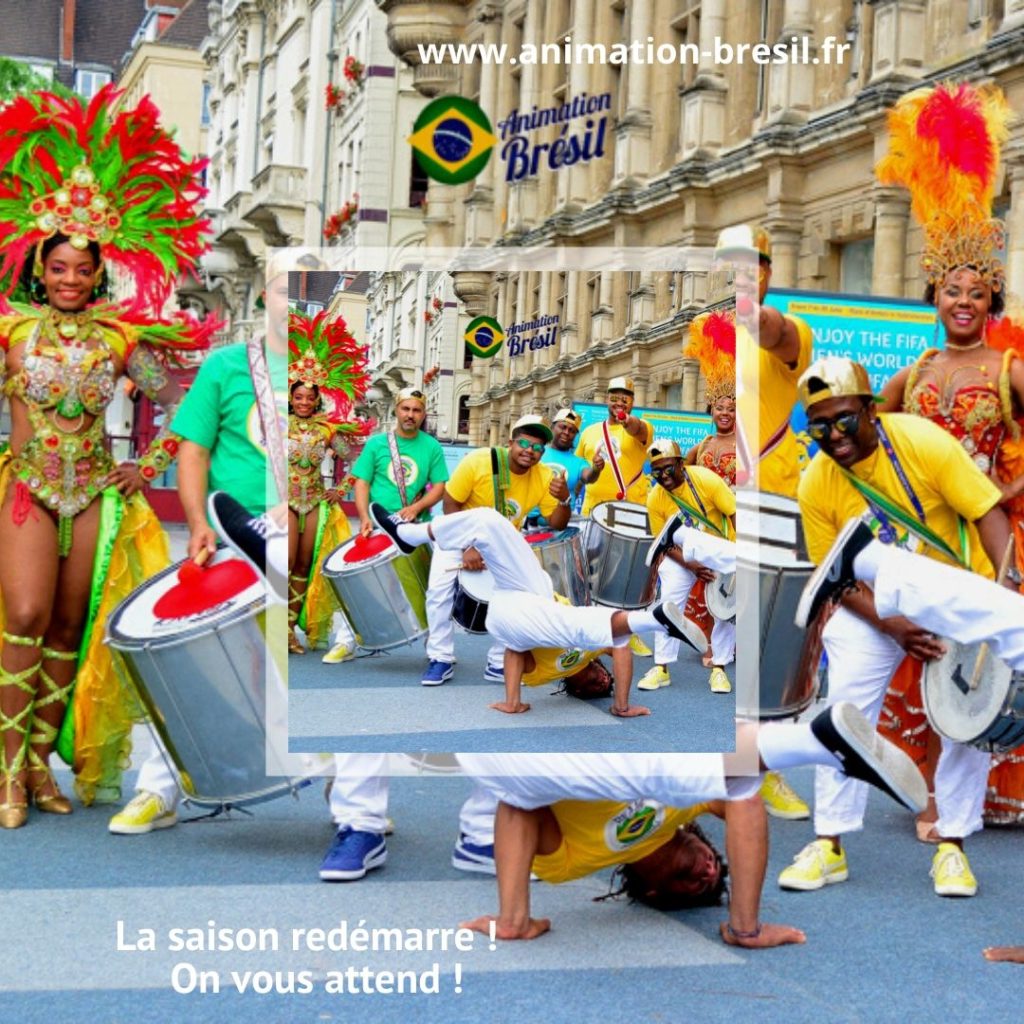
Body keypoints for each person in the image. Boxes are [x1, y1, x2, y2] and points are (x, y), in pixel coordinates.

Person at [0, 86, 210, 827]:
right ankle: (6, 773)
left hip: (91, 491)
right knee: (22, 612)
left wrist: (143, 465)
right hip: (27, 487)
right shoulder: (13, 330)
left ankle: (39, 763)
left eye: (81, 271)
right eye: (57, 267)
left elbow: (180, 404)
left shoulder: (120, 339)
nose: (68, 279)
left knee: (67, 627)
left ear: (98, 275)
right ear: (41, 267)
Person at [780, 355, 1012, 897]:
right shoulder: (817, 482)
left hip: (959, 589)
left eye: (844, 420)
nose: (832, 435)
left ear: (871, 410)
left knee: (968, 715)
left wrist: (1005, 590)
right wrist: (897, 627)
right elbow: (835, 580)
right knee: (844, 707)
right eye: (819, 426)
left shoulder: (920, 441)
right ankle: (829, 842)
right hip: (877, 607)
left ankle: (951, 846)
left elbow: (987, 511)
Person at [456, 700, 927, 944]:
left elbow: (517, 805)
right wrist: (746, 926)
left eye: (697, 887)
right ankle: (820, 743)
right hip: (587, 743)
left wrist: (513, 917)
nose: (707, 873)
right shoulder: (688, 807)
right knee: (732, 778)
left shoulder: (570, 864)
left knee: (519, 784)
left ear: (654, 893)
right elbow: (744, 801)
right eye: (716, 871)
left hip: (511, 751)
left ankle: (820, 743)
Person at [874, 80, 1024, 837]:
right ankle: (933, 791)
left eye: (977, 291)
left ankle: (982, 789)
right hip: (928, 536)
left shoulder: (1007, 369)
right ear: (935, 295)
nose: (963, 300)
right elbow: (869, 437)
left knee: (989, 653)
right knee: (931, 653)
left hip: (990, 534)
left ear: (991, 297)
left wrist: (1006, 487)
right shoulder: (918, 372)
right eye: (951, 289)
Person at [107, 251, 298, 834]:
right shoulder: (225, 367)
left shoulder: (331, 375)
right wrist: (195, 523)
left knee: (294, 669)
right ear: (266, 296)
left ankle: (355, 807)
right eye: (286, 290)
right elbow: (191, 448)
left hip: (287, 535)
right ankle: (160, 790)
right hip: (224, 536)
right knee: (190, 662)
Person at [370, 502, 705, 716]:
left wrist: (512, 700)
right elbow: (620, 646)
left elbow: (515, 653)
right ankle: (409, 534)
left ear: (573, 690)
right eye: (605, 680)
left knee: (576, 624)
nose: (600, 680)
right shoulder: (593, 652)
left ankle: (655, 620)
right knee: (488, 521)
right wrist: (621, 704)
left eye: (595, 687)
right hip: (531, 589)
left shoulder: (544, 675)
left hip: (514, 619)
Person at [422, 415, 570, 687]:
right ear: (511, 442)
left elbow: (557, 523)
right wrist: (468, 546)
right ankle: (440, 657)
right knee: (439, 591)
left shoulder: (545, 475)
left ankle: (498, 661)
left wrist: (564, 499)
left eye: (538, 447)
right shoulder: (479, 461)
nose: (530, 451)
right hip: (458, 534)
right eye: (524, 443)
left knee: (525, 592)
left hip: (501, 544)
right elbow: (450, 502)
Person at [335, 386, 447, 663]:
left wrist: (417, 507)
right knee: (361, 583)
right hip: (377, 521)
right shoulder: (377, 444)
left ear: (423, 414)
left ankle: (435, 647)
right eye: (406, 409)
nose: (410, 415)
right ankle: (346, 641)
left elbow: (439, 487)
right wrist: (363, 517)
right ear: (397, 410)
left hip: (414, 523)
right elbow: (362, 482)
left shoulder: (431, 446)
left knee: (430, 584)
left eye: (416, 410)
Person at [286, 310, 370, 655]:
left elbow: (356, 460)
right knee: (284, 561)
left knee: (305, 566)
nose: (304, 402)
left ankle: (290, 629)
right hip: (286, 502)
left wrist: (342, 488)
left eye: (310, 397)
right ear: (290, 396)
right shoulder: (279, 425)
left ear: (317, 398)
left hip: (316, 501)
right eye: (298, 396)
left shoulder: (327, 430)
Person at [641, 439, 736, 694]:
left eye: (668, 468)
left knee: (727, 608)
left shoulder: (706, 480)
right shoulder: (655, 498)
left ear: (681, 464)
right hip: (682, 557)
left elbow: (736, 514)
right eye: (656, 472)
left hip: (720, 550)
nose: (663, 476)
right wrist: (692, 566)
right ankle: (661, 667)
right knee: (668, 602)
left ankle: (719, 669)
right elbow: (663, 544)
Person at [526, 408, 597, 523]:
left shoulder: (579, 462)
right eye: (562, 427)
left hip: (562, 527)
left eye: (572, 430)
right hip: (529, 522)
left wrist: (596, 469)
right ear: (552, 427)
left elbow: (589, 477)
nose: (566, 432)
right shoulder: (536, 451)